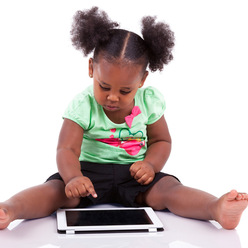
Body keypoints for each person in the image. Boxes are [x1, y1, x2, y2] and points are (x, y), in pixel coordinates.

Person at [0, 6, 247, 231]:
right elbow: (66, 147)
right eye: (104, 86)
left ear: (141, 81)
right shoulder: (82, 105)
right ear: (91, 69)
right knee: (55, 191)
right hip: (88, 174)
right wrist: (73, 177)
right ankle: (9, 209)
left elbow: (162, 141)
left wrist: (151, 165)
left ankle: (216, 208)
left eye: (125, 91)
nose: (113, 97)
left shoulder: (149, 100)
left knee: (169, 190)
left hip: (135, 175)